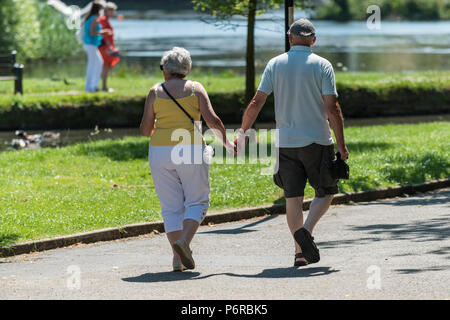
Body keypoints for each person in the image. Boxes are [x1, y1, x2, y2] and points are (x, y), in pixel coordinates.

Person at [235, 18, 349, 267]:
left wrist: (243, 132)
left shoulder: (275, 64)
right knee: (327, 190)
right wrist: (341, 144)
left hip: (286, 143)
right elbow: (333, 108)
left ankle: (299, 253)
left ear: (290, 38)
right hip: (318, 140)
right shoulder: (323, 65)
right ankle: (306, 232)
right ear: (314, 40)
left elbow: (256, 102)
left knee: (292, 198)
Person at [140, 47, 235, 272]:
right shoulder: (195, 89)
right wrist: (228, 145)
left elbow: (145, 130)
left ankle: (177, 258)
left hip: (160, 151)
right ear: (187, 69)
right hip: (190, 148)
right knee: (197, 201)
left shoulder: (154, 91)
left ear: (165, 70)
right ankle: (184, 242)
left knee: (171, 207)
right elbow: (213, 121)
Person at [82, 1, 110, 92]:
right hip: (91, 44)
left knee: (98, 63)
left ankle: (93, 86)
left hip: (89, 44)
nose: (102, 11)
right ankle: (89, 87)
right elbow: (92, 32)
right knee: (93, 64)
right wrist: (104, 31)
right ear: (98, 9)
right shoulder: (93, 18)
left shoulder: (88, 17)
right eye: (102, 9)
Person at [98, 2, 120, 92]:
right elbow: (103, 34)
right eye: (112, 11)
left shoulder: (105, 20)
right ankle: (104, 86)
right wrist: (109, 47)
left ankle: (103, 85)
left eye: (113, 11)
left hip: (108, 47)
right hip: (105, 47)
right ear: (106, 11)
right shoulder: (103, 20)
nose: (113, 13)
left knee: (106, 65)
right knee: (106, 65)